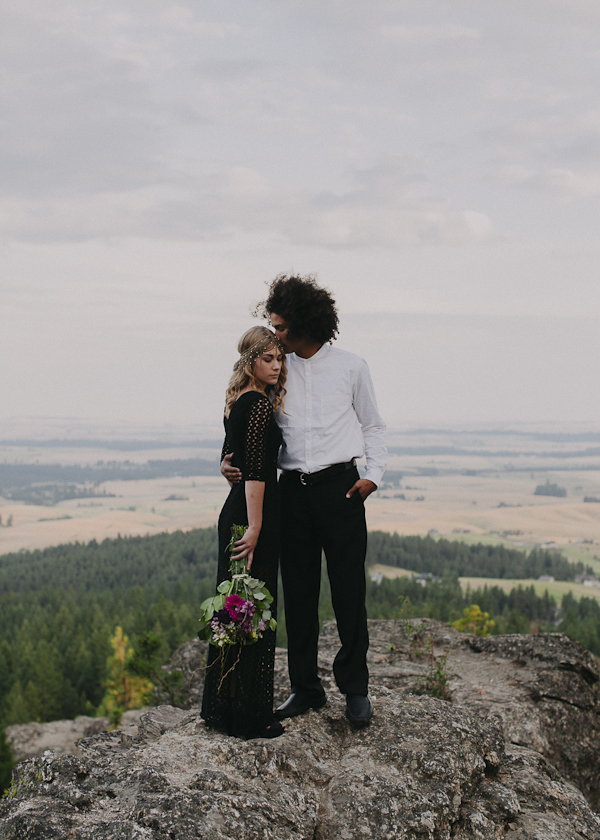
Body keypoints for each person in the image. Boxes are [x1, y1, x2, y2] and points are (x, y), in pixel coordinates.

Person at [223, 275, 387, 728]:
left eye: (280, 327)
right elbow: (241, 411)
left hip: (342, 489)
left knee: (349, 592)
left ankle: (355, 689)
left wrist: (373, 476)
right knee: (297, 595)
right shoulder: (275, 366)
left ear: (304, 324)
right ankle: (305, 688)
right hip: (289, 493)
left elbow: (373, 426)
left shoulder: (352, 367)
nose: (273, 335)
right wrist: (226, 457)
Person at [201, 326, 287, 740]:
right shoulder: (256, 405)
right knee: (252, 609)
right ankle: (252, 717)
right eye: (268, 358)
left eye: (279, 358)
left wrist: (223, 465)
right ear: (251, 360)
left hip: (239, 511)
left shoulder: (239, 400)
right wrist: (255, 527)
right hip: (252, 515)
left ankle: (228, 709)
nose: (276, 365)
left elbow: (230, 454)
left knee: (237, 609)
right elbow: (255, 473)